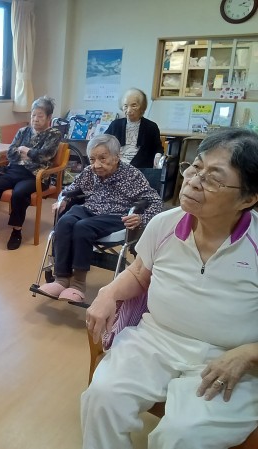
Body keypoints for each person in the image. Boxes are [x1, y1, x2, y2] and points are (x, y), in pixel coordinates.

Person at [81, 128, 258, 449]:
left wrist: (249, 353)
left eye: (214, 178)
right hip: (155, 339)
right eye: (196, 167)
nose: (193, 181)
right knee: (103, 397)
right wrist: (108, 292)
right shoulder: (164, 223)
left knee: (183, 433)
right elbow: (139, 273)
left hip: (229, 359)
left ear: (248, 199)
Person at [35, 134, 162, 303]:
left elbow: (155, 201)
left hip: (116, 215)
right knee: (64, 221)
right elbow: (70, 189)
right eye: (92, 159)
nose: (96, 165)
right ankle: (61, 279)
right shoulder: (90, 172)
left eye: (102, 158)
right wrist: (62, 200)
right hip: (90, 209)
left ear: (116, 157)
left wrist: (141, 218)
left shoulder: (132, 175)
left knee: (82, 227)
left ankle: (78, 285)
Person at [0, 95, 62, 250]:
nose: (35, 119)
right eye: (33, 115)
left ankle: (16, 232)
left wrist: (26, 150)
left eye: (40, 116)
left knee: (19, 194)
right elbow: (11, 153)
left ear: (49, 117)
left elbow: (45, 155)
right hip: (14, 171)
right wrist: (29, 153)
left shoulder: (54, 134)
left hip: (36, 175)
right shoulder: (23, 131)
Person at [104, 88, 163, 168]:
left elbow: (158, 148)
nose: (129, 110)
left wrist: (158, 156)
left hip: (140, 168)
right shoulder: (115, 124)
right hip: (116, 166)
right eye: (125, 106)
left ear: (142, 107)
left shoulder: (151, 127)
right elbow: (104, 142)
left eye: (134, 105)